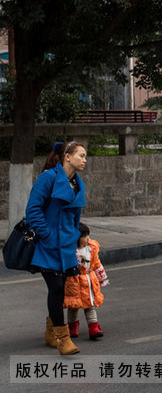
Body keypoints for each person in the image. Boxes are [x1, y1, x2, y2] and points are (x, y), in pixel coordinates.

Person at [26, 140, 87, 355]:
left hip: (66, 246)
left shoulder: (77, 184)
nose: (84, 160)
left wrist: (76, 236)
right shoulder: (49, 178)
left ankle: (51, 332)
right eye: (81, 155)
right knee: (56, 288)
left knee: (60, 291)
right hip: (48, 245)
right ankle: (63, 339)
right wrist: (47, 234)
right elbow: (32, 209)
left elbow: (76, 215)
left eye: (85, 156)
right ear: (67, 157)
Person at [64, 222, 109, 340]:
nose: (87, 238)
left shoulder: (91, 249)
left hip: (88, 281)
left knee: (90, 305)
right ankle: (72, 327)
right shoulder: (71, 251)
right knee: (73, 306)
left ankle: (93, 327)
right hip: (74, 282)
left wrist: (102, 277)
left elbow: (97, 264)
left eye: (88, 235)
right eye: (84, 236)